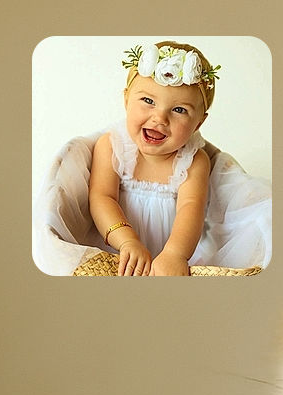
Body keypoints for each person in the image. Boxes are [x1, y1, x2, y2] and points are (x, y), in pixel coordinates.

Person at [81, 40, 269, 276]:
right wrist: (127, 241)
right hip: (118, 248)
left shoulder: (194, 161)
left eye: (179, 110)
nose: (159, 118)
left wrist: (175, 254)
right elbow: (102, 198)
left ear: (198, 123)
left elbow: (191, 209)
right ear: (127, 100)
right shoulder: (111, 146)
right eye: (148, 101)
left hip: (174, 255)